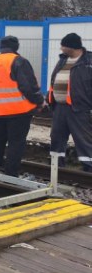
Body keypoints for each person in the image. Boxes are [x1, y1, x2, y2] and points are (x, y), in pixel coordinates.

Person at [0, 35, 46, 177]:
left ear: (1, 47)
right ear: (16, 47)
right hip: (18, 110)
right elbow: (28, 86)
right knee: (16, 143)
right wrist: (39, 101)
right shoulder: (18, 61)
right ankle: (11, 174)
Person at [47, 32, 92, 172]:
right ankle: (56, 163)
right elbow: (54, 79)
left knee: (82, 137)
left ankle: (88, 166)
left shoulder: (88, 61)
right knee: (57, 135)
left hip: (79, 107)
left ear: (71, 47)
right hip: (59, 106)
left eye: (63, 45)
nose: (61, 48)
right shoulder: (63, 60)